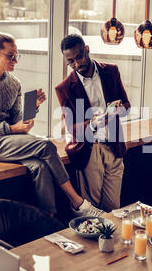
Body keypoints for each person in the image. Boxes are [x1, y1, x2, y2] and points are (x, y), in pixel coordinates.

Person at [0, 31, 104, 217]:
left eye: (16, 55)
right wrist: (12, 129)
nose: (15, 61)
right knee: (45, 145)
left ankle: (48, 219)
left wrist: (33, 107)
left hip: (10, 140)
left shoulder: (14, 83)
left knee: (40, 167)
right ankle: (77, 202)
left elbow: (17, 120)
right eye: (10, 56)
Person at [55, 34, 131, 212]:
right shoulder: (64, 88)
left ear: (87, 50)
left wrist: (119, 110)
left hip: (114, 146)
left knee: (114, 209)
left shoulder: (111, 71)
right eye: (71, 61)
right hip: (90, 151)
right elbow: (73, 128)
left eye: (79, 57)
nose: (76, 64)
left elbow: (126, 105)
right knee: (94, 210)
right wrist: (93, 123)